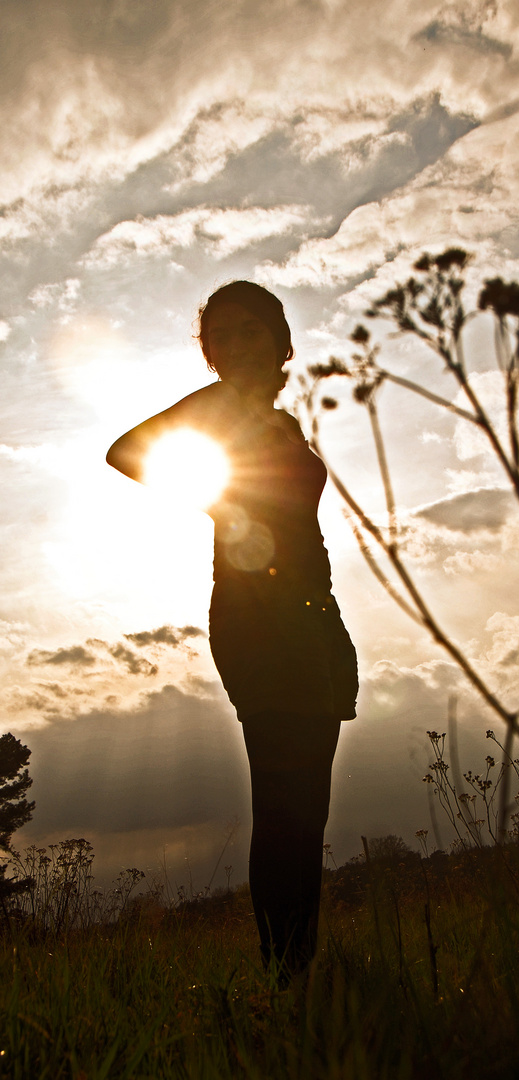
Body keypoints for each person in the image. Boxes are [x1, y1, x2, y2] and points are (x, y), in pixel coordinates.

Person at [106, 280, 358, 976]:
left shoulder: (278, 421)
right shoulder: (219, 407)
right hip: (257, 618)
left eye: (252, 331)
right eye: (224, 335)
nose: (238, 344)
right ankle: (285, 972)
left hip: (312, 617)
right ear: (210, 354)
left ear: (281, 341)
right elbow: (127, 451)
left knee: (306, 809)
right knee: (284, 806)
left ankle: (298, 964)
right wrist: (218, 502)